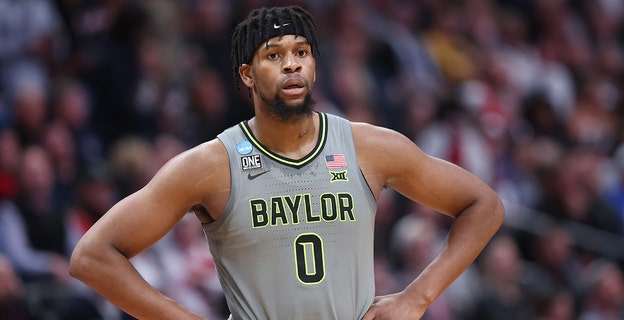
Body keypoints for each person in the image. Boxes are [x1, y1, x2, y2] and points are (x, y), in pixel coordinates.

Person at [70, 5, 504, 320]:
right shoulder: (211, 164)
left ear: (315, 67)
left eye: (301, 52)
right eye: (273, 55)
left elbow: (484, 205)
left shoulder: (369, 146)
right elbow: (92, 256)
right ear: (247, 74)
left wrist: (417, 297)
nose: (291, 64)